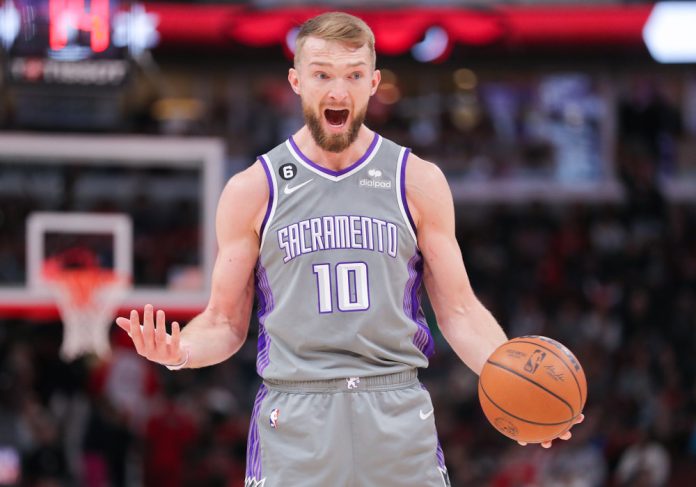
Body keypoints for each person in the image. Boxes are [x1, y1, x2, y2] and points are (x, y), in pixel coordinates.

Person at [116, 11, 583, 486]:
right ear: (297, 80)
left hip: (396, 412)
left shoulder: (417, 180)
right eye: (322, 74)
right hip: (297, 417)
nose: (338, 91)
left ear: (374, 82)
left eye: (354, 75)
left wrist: (519, 384)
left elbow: (460, 312)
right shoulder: (253, 189)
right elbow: (223, 324)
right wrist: (179, 350)